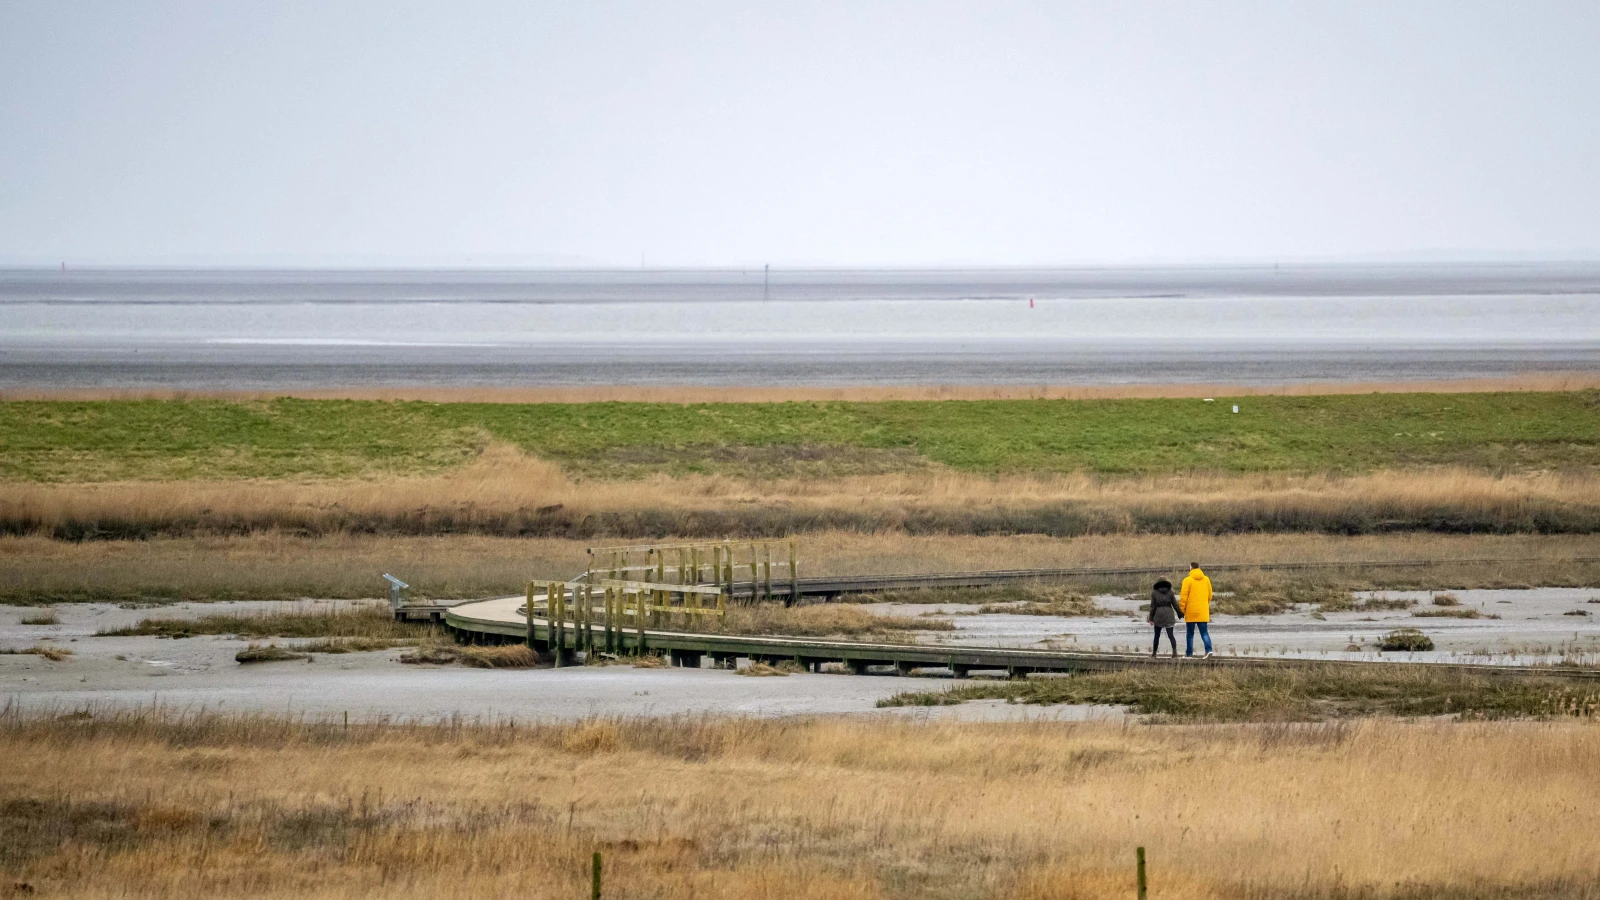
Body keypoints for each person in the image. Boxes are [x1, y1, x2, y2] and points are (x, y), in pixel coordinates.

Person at [1179, 562, 1214, 658]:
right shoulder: (1206, 579)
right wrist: (1204, 604)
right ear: (1199, 568)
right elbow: (1210, 594)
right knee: (1204, 632)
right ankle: (1209, 650)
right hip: (1203, 611)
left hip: (1191, 611)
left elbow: (1183, 597)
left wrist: (1182, 610)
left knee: (1190, 634)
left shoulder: (1187, 580)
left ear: (1190, 568)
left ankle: (1189, 654)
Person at [1147, 578, 1179, 657]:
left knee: (1157, 636)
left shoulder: (1154, 593)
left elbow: (1152, 607)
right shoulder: (1170, 592)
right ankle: (1174, 652)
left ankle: (1154, 653)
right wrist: (1180, 613)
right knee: (1171, 635)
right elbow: (1175, 604)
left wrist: (1151, 618)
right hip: (1169, 614)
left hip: (1158, 615)